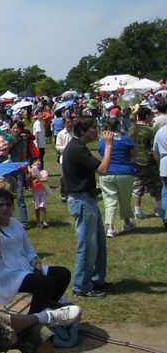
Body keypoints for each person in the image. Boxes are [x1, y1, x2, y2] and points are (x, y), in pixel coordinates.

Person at [0, 188, 74, 313]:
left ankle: (46, 305)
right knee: (47, 283)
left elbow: (28, 248)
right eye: (0, 204)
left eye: (8, 204)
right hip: (6, 275)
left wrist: (36, 264)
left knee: (63, 274)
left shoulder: (15, 223)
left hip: (25, 268)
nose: (5, 208)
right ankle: (33, 318)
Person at [63, 116, 114, 298]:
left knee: (98, 242)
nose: (96, 130)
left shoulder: (78, 147)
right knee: (87, 245)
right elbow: (103, 169)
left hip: (87, 199)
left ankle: (97, 279)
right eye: (92, 128)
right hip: (82, 200)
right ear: (82, 131)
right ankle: (80, 286)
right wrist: (108, 146)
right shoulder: (77, 149)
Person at [97, 118, 137, 237]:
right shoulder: (125, 139)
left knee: (109, 200)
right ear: (118, 127)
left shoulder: (101, 141)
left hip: (107, 173)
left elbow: (102, 153)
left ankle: (111, 227)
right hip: (125, 172)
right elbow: (135, 153)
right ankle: (127, 222)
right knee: (125, 199)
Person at [128, 106, 163, 219]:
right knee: (156, 186)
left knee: (137, 187)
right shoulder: (150, 131)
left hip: (135, 162)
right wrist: (158, 164)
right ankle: (158, 209)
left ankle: (138, 211)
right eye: (151, 115)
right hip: (149, 163)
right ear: (147, 116)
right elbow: (154, 148)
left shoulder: (131, 129)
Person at [55, 113, 75, 202]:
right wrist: (67, 148)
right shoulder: (61, 134)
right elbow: (58, 147)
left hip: (75, 159)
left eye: (71, 122)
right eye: (68, 122)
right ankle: (64, 194)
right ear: (64, 124)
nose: (70, 124)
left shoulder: (75, 133)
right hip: (64, 159)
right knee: (64, 177)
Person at [153, 119, 167, 232]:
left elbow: (155, 150)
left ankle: (166, 216)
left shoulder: (160, 131)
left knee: (165, 192)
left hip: (164, 162)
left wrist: (159, 163)